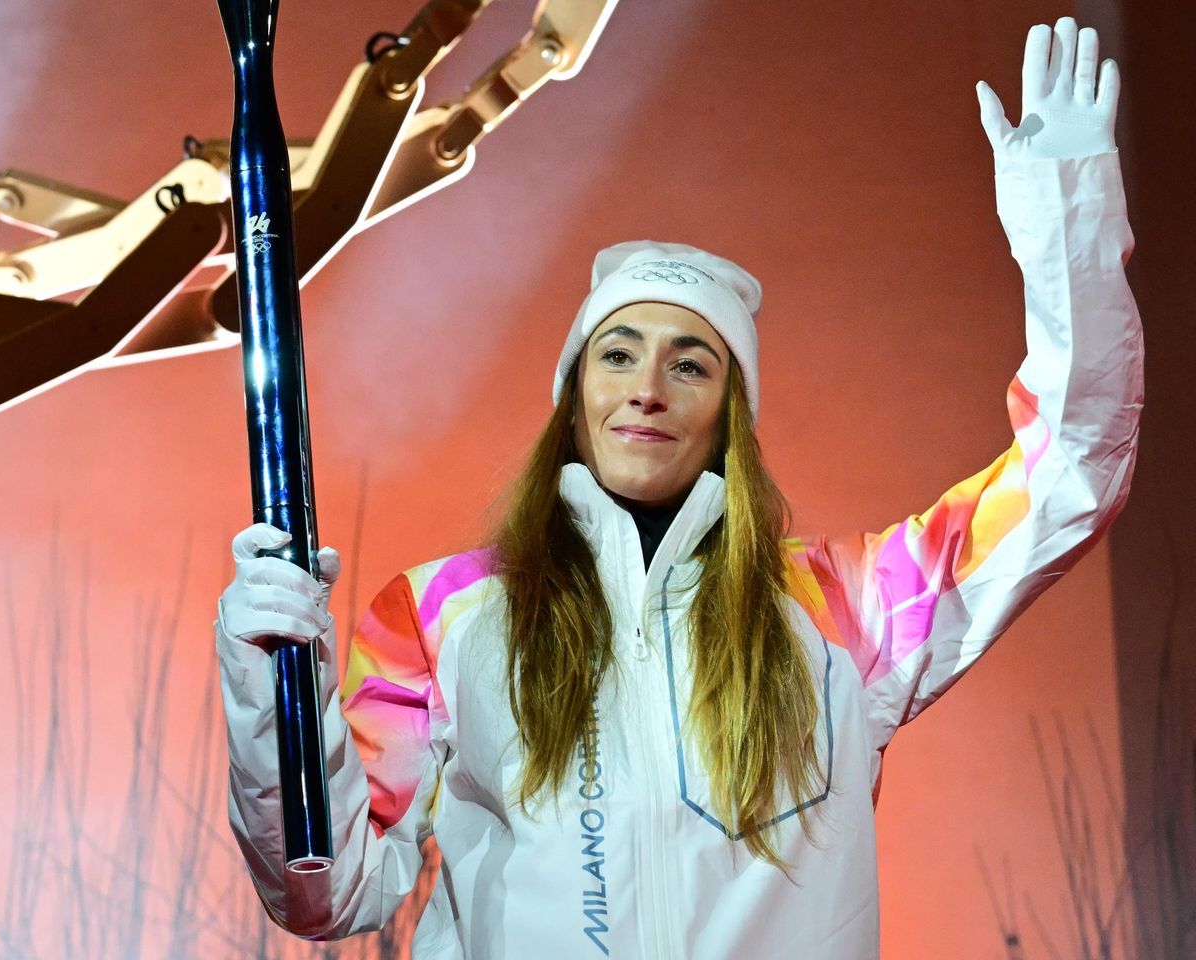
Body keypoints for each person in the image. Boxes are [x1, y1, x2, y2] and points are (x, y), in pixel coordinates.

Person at [215, 16, 1142, 959]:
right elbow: (324, 891)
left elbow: (1069, 471)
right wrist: (265, 683)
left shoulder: (847, 612)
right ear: (574, 400)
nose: (648, 389)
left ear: (730, 416)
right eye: (617, 355)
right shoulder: (435, 617)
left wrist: (1067, 233)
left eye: (692, 364)